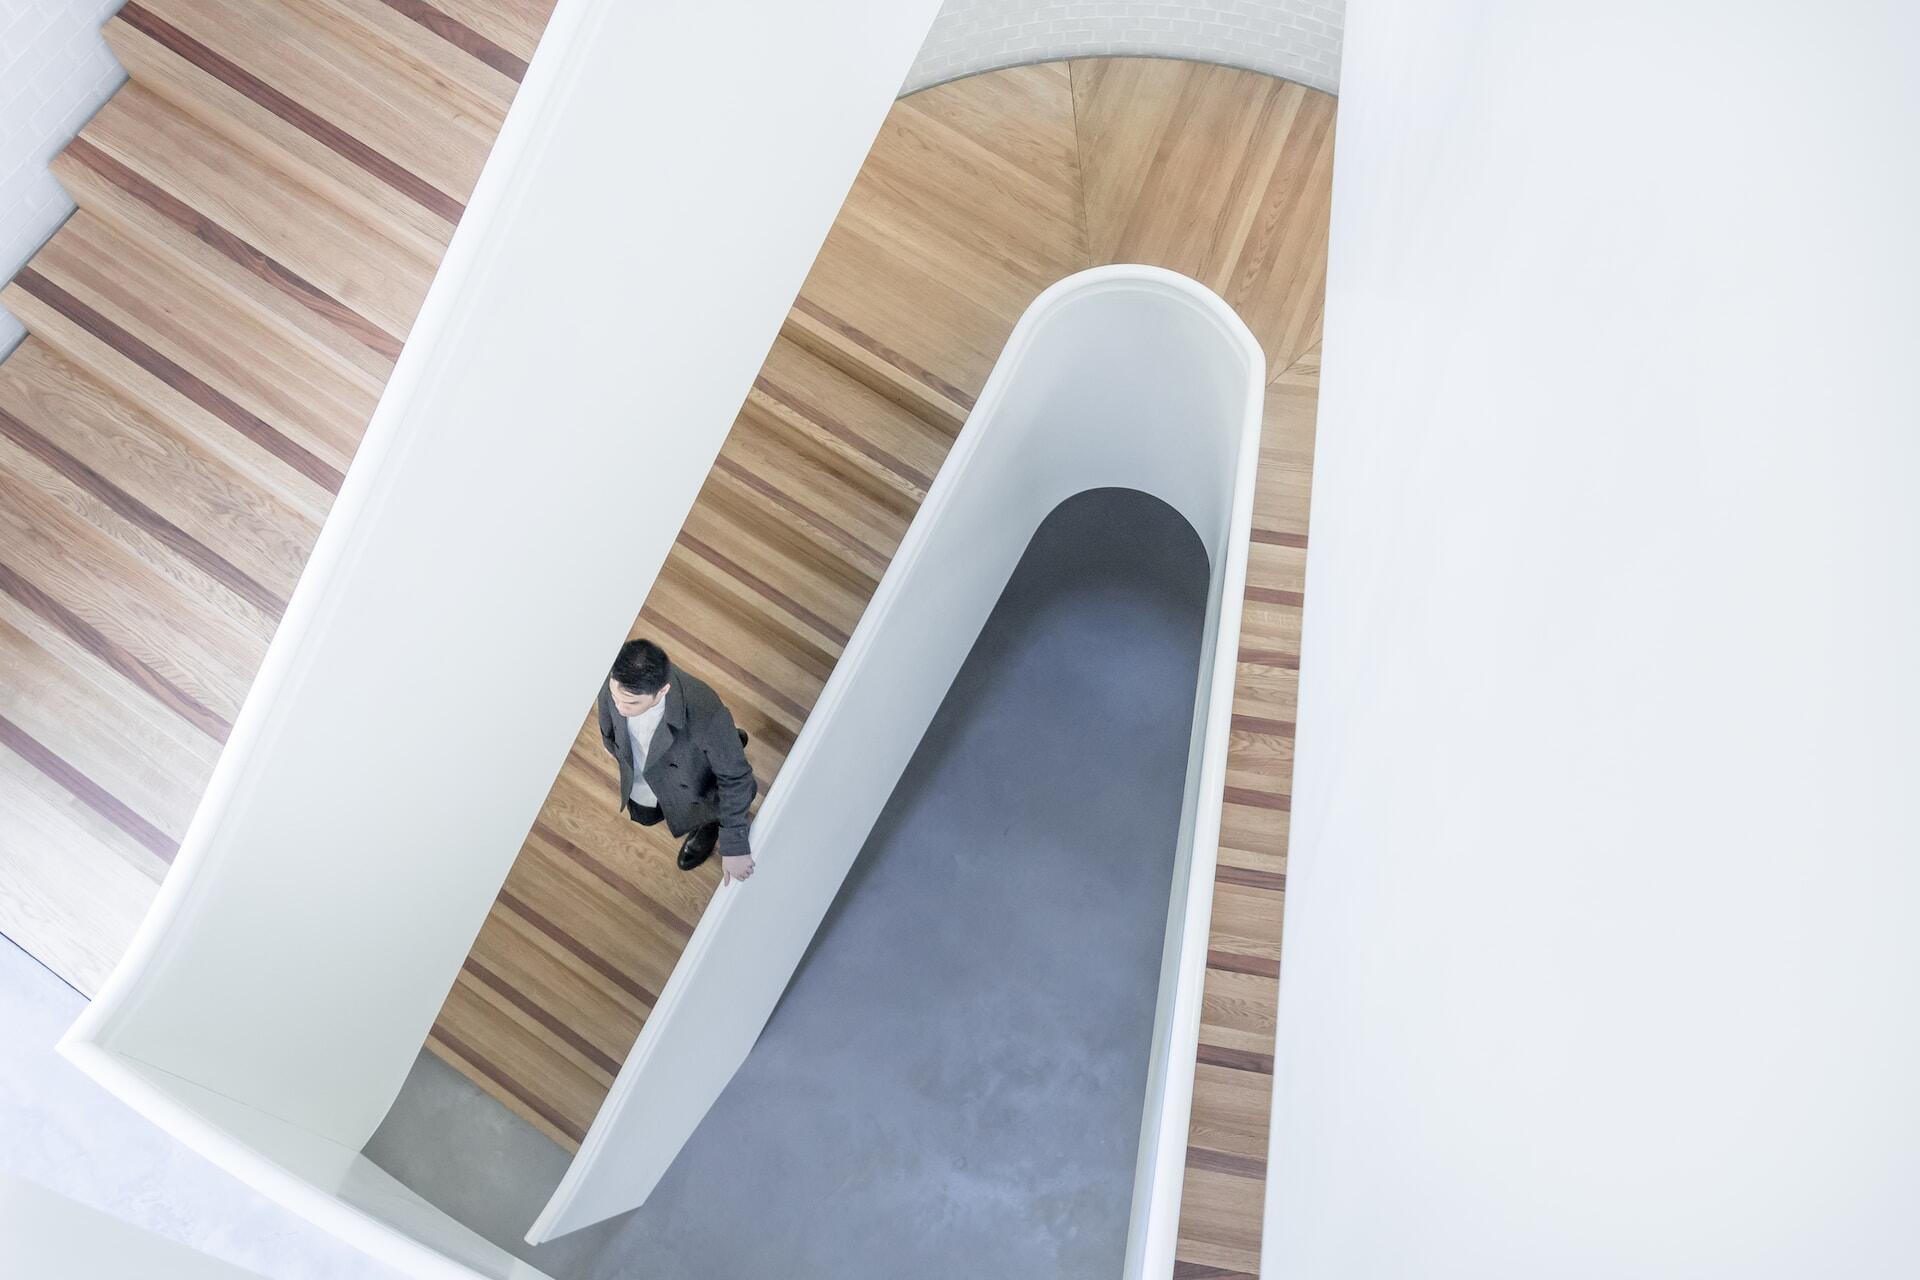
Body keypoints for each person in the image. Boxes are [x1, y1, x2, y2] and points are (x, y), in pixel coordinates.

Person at [597, 639, 757, 884]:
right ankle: (729, 742)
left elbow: (737, 778)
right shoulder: (615, 680)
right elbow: (609, 714)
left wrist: (734, 845)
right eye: (615, 696)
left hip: (693, 778)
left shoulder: (704, 711)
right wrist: (611, 744)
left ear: (662, 691)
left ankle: (707, 824)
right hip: (644, 774)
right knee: (647, 815)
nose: (619, 708)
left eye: (630, 703)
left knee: (707, 795)